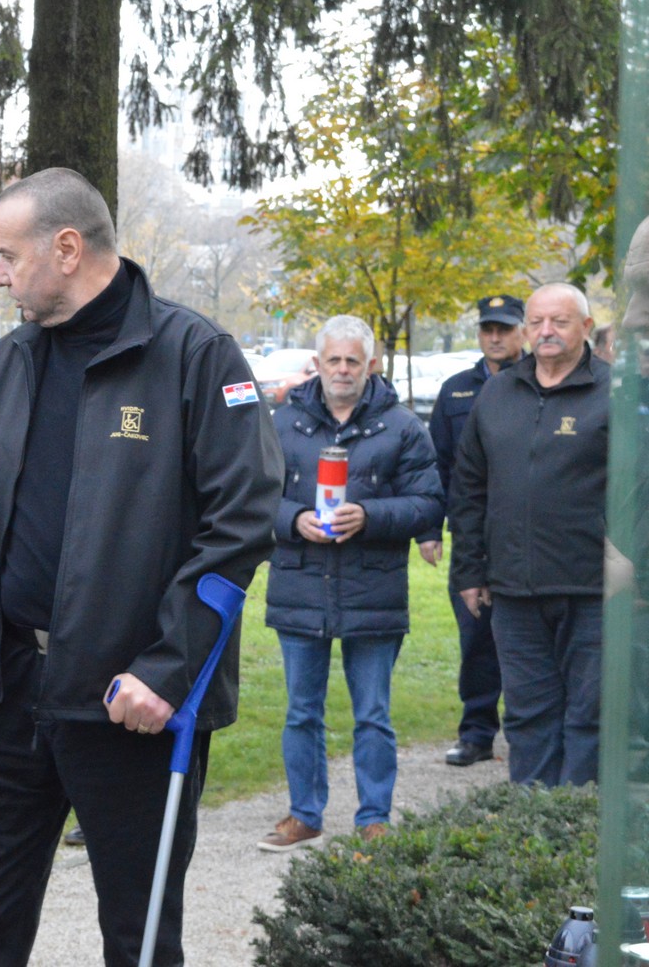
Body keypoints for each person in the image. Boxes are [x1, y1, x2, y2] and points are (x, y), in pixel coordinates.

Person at [0, 167, 283, 967]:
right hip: (7, 696)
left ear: (66, 248)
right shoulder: (13, 359)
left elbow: (242, 523)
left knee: (138, 934)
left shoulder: (196, 354)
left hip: (131, 705)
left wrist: (167, 670)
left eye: (5, 256)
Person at [256, 316, 444, 851]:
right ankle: (305, 813)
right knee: (301, 712)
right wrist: (293, 520)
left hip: (373, 589)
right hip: (300, 585)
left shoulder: (401, 427)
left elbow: (430, 503)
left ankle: (373, 817)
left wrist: (369, 515)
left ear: (371, 365)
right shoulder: (283, 422)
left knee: (373, 715)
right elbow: (252, 497)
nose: (342, 370)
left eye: (352, 361)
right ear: (316, 364)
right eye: (333, 360)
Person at [451, 282, 609, 786]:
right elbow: (470, 487)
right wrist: (470, 570)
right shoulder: (498, 393)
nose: (546, 331)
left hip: (595, 588)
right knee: (528, 717)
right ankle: (535, 831)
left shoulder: (617, 392)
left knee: (590, 718)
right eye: (537, 322)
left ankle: (581, 831)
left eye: (560, 322)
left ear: (585, 328)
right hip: (513, 591)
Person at [417, 294, 526, 768]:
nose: (495, 337)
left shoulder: (536, 383)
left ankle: (530, 734)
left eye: (504, 328)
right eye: (488, 329)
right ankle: (478, 731)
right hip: (473, 537)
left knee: (527, 640)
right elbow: (438, 465)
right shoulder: (457, 389)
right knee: (476, 638)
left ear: (520, 330)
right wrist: (429, 529)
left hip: (524, 533)